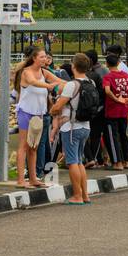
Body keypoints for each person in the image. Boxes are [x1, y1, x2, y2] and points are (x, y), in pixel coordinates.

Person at [50, 53, 95, 204]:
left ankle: (77, 196)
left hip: (71, 127)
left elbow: (58, 106)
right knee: (79, 161)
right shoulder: (91, 82)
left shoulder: (72, 85)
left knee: (72, 162)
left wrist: (52, 108)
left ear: (73, 66)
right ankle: (85, 195)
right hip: (85, 126)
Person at [11, 46, 59, 186]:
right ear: (34, 58)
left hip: (39, 114)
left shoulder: (44, 72)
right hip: (26, 112)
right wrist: (49, 86)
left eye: (46, 57)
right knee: (24, 146)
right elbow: (32, 82)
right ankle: (20, 179)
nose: (45, 59)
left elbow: (59, 81)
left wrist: (75, 85)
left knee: (34, 147)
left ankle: (33, 178)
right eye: (42, 57)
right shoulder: (26, 72)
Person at [101, 52, 128, 169]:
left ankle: (117, 162)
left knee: (112, 137)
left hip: (111, 111)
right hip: (124, 111)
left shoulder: (108, 77)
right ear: (119, 63)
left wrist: (116, 99)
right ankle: (127, 161)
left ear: (106, 64)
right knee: (123, 136)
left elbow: (107, 91)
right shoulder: (126, 76)